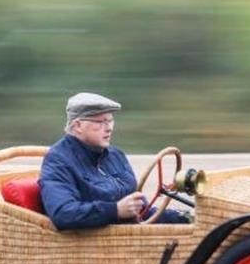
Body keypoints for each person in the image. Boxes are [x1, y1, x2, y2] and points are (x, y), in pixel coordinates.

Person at [38, 92, 190, 230]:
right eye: (101, 122)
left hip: (132, 232)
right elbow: (63, 214)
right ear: (78, 125)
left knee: (198, 225)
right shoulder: (58, 161)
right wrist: (115, 210)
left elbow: (139, 210)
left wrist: (184, 217)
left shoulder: (115, 155)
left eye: (110, 121)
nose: (109, 128)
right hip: (96, 245)